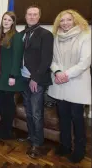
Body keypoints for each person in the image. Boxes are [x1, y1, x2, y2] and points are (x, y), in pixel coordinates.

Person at [48, 10, 91, 163]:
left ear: (75, 21)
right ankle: (65, 145)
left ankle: (79, 150)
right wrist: (58, 71)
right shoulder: (56, 37)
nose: (65, 23)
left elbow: (85, 62)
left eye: (68, 20)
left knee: (77, 119)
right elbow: (51, 59)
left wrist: (65, 74)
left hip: (76, 84)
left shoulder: (85, 35)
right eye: (62, 20)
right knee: (63, 117)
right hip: (60, 83)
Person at [18, 5, 53, 159]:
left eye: (35, 14)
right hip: (23, 79)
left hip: (36, 80)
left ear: (39, 17)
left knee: (37, 113)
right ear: (25, 16)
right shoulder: (23, 33)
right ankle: (31, 136)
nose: (32, 17)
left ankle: (38, 143)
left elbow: (46, 59)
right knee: (29, 111)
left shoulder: (46, 34)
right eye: (29, 14)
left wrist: (35, 78)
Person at [0, 11, 25, 140]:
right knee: (2, 104)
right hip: (0, 76)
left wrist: (13, 76)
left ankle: (6, 131)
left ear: (13, 22)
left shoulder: (16, 36)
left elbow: (17, 57)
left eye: (9, 20)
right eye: (4, 19)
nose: (6, 22)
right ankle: (2, 128)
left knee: (8, 105)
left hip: (10, 76)